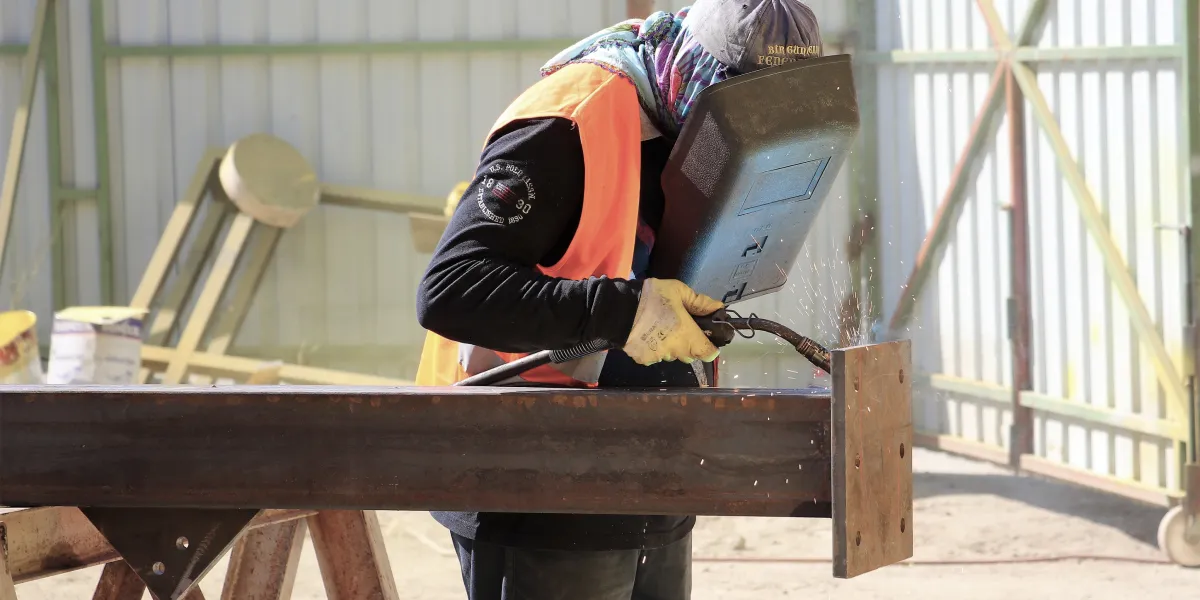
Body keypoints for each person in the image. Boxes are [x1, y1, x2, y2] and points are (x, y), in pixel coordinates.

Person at [414, 1, 822, 598]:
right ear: (695, 69)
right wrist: (628, 313)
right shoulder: (567, 122)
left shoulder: (685, 119)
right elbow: (451, 290)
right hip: (532, 478)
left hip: (650, 471)